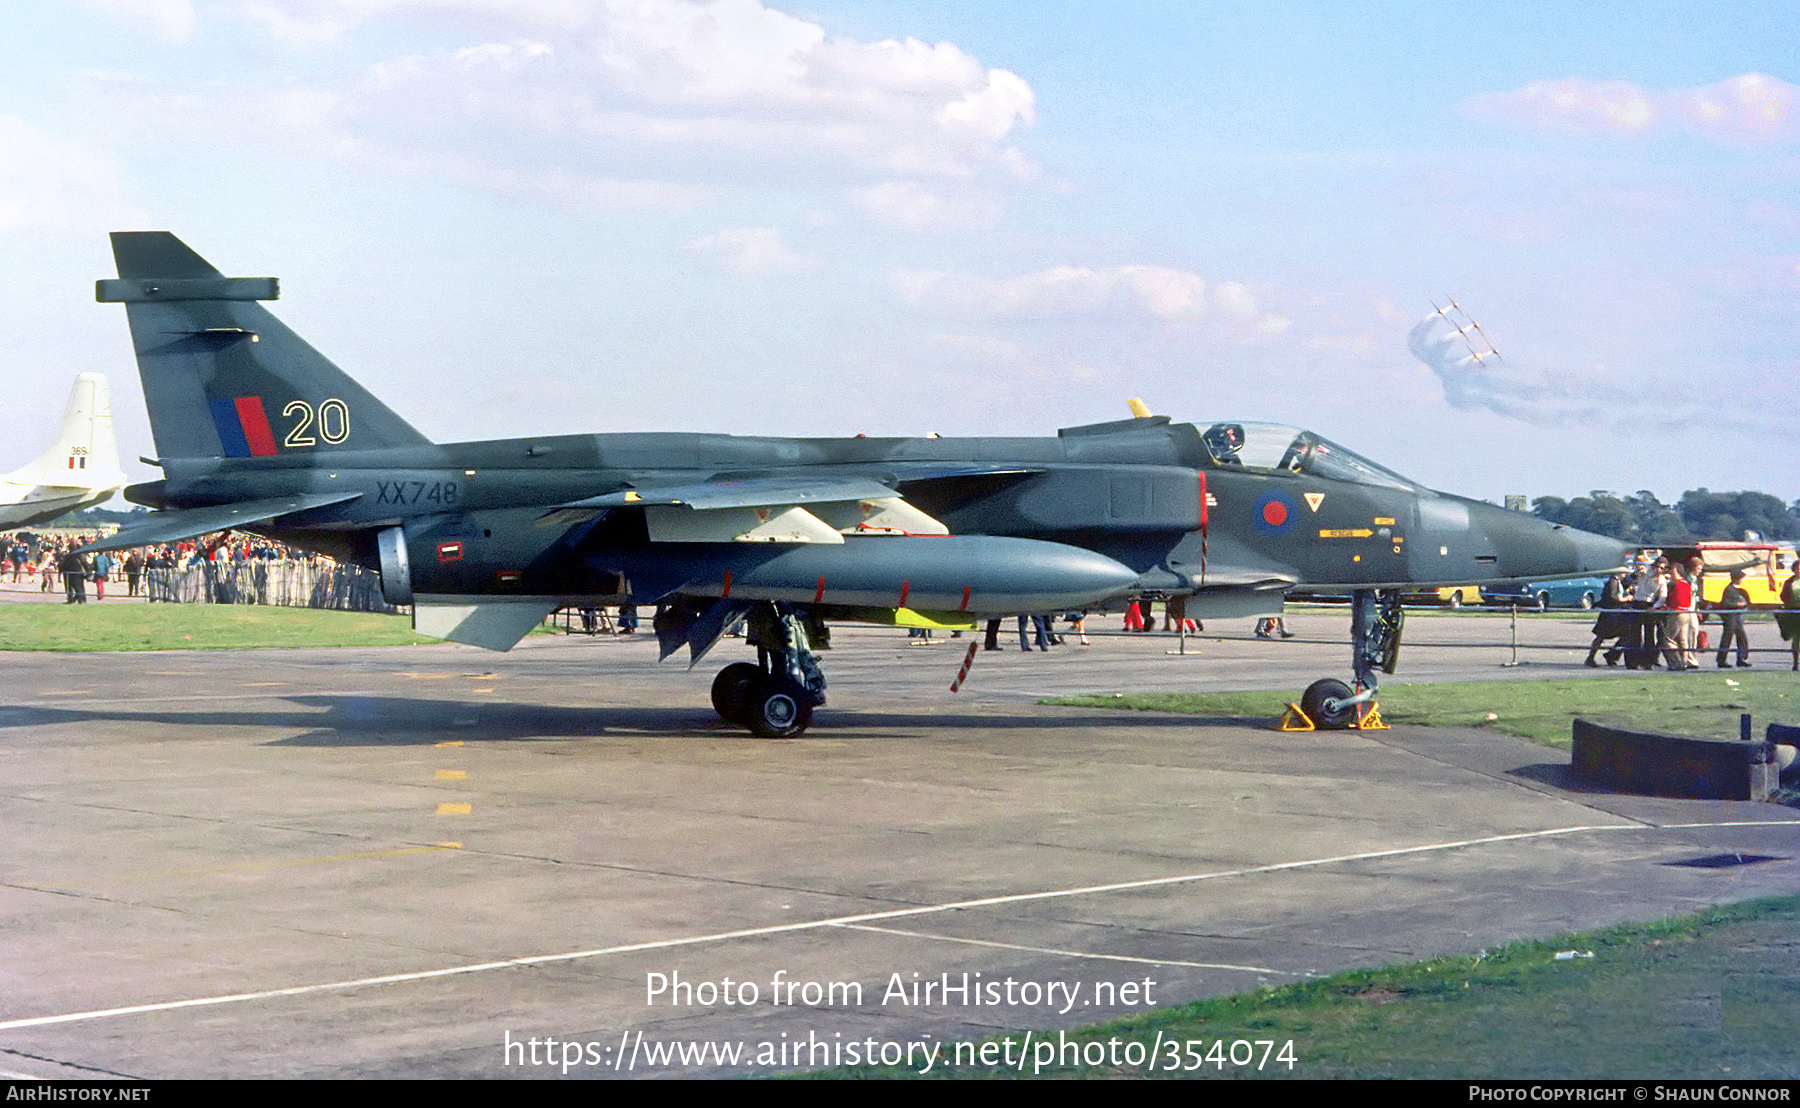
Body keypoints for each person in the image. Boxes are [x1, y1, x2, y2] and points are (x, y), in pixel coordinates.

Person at [1586, 571, 1631, 666]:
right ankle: (1591, 658)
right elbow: (1613, 597)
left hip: (1615, 613)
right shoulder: (1613, 582)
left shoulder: (1617, 581)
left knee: (1625, 635)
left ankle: (1612, 654)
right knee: (1600, 636)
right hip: (1610, 614)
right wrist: (1626, 599)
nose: (1625, 574)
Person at [1714, 568, 1752, 669]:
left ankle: (1742, 658)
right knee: (1727, 638)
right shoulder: (1729, 589)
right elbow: (1725, 603)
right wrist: (1737, 604)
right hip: (1730, 617)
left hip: (1736, 616)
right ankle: (1721, 659)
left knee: (1741, 637)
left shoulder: (1735, 589)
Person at [1778, 569, 1800, 672]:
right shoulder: (1789, 582)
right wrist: (1790, 602)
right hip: (1794, 614)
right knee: (1796, 639)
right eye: (1798, 568)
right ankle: (1795, 663)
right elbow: (1783, 596)